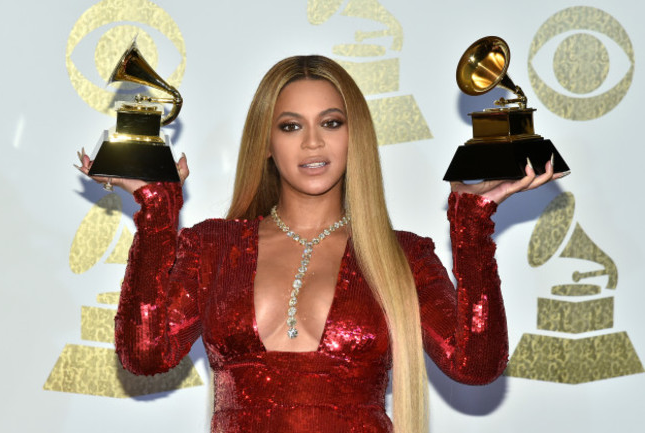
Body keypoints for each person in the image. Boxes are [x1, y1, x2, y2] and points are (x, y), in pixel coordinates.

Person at [77, 55, 561, 433]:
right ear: (265, 143)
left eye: (331, 123)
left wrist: (472, 227)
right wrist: (157, 215)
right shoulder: (212, 247)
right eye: (291, 126)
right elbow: (144, 356)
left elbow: (476, 365)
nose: (312, 143)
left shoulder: (404, 257)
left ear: (356, 138)